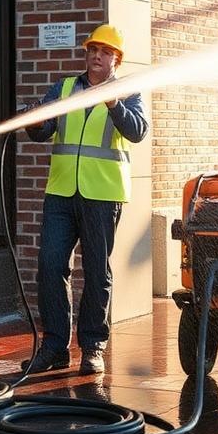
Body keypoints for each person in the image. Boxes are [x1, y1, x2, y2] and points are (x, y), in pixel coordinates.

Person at [23, 24, 148, 375]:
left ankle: (93, 348)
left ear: (117, 59)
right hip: (61, 193)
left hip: (103, 196)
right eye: (92, 49)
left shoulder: (129, 92)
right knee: (50, 265)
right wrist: (32, 119)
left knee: (96, 272)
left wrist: (114, 104)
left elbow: (137, 131)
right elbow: (43, 131)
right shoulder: (64, 89)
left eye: (104, 51)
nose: (96, 55)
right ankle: (54, 347)